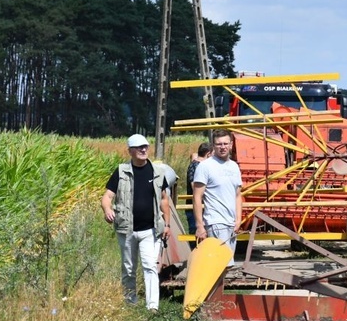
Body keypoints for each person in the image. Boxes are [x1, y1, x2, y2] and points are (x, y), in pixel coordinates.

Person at [101, 134, 175, 311]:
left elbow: (165, 199)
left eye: (146, 147)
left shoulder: (157, 172)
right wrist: (107, 210)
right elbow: (107, 197)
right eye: (139, 147)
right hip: (127, 229)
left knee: (150, 266)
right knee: (128, 268)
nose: (143, 150)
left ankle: (152, 307)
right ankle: (130, 302)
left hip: (150, 230)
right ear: (130, 151)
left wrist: (167, 224)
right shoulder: (121, 171)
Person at [192, 129, 243, 266]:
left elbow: (238, 195)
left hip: (231, 224)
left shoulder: (234, 166)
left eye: (226, 143)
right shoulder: (205, 167)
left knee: (227, 266)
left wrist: (238, 220)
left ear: (231, 145)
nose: (223, 147)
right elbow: (197, 197)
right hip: (215, 222)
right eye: (219, 144)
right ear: (213, 146)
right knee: (219, 265)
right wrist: (199, 226)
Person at [185, 142, 213, 243]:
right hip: (195, 208)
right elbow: (194, 187)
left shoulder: (200, 165)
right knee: (197, 237)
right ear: (209, 154)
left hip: (203, 207)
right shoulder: (196, 166)